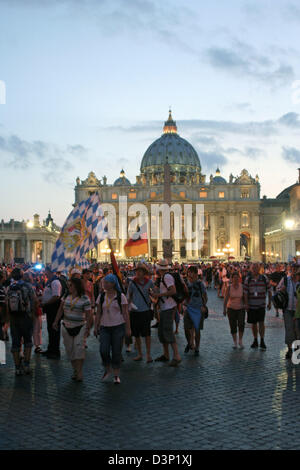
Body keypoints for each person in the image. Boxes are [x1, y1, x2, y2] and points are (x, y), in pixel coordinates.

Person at [53, 278, 92, 382]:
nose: (69, 287)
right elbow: (60, 309)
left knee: (79, 350)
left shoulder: (85, 299)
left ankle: (79, 372)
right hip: (66, 326)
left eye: (71, 285)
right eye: (68, 285)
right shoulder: (66, 296)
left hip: (80, 327)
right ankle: (75, 370)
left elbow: (89, 315)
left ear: (76, 286)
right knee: (70, 350)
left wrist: (88, 328)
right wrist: (56, 321)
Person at [94, 274, 131, 384]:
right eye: (103, 282)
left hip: (118, 326)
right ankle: (107, 367)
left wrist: (128, 328)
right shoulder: (101, 297)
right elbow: (99, 312)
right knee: (103, 350)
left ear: (113, 283)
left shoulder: (121, 296)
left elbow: (125, 313)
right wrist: (96, 326)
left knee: (116, 351)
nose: (104, 284)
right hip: (104, 326)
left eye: (106, 282)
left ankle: (116, 374)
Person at [151, 259, 181, 366]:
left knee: (168, 331)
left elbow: (173, 291)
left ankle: (177, 356)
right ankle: (166, 354)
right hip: (165, 307)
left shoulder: (167, 277)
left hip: (169, 307)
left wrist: (158, 295)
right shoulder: (163, 277)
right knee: (162, 331)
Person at [7, 268, 34, 375]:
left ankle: (17, 368)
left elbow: (6, 303)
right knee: (27, 341)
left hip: (14, 317)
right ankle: (26, 365)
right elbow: (33, 299)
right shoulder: (27, 286)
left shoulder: (10, 287)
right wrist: (32, 314)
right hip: (25, 316)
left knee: (15, 343)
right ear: (22, 275)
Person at [127, 262, 154, 363]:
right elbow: (128, 296)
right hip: (135, 311)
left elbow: (155, 292)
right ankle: (140, 354)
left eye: (140, 271)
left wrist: (153, 295)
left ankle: (148, 354)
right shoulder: (132, 282)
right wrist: (128, 305)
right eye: (136, 271)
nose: (138, 273)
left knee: (147, 334)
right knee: (136, 334)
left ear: (144, 273)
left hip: (145, 311)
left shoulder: (149, 282)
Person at [244, 263, 272, 350]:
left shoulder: (264, 278)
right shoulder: (248, 279)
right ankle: (255, 339)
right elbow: (245, 293)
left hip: (261, 305)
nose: (255, 269)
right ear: (251, 269)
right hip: (251, 305)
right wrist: (246, 303)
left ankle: (262, 340)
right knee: (254, 324)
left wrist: (270, 302)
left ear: (259, 269)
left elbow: (270, 290)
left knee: (261, 323)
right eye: (253, 268)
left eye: (256, 267)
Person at [183, 265, 208, 356]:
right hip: (188, 308)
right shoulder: (185, 283)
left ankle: (197, 347)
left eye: (192, 272)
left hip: (198, 308)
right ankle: (189, 342)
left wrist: (203, 306)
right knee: (186, 328)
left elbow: (205, 296)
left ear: (196, 274)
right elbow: (182, 295)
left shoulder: (200, 284)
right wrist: (183, 303)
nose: (190, 274)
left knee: (197, 330)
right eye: (189, 272)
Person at [277, 265, 298, 359]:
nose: (294, 272)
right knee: (289, 329)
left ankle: (297, 350)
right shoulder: (285, 280)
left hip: (298, 310)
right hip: (288, 309)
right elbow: (277, 290)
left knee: (297, 330)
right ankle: (289, 349)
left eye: (296, 271)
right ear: (290, 270)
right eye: (293, 270)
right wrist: (281, 289)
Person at [41, 267, 62, 359]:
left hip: (54, 309)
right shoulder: (50, 281)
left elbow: (56, 296)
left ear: (49, 271)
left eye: (45, 271)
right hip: (49, 309)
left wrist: (45, 303)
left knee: (54, 329)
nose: (44, 273)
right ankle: (51, 348)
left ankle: (55, 351)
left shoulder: (55, 282)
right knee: (50, 329)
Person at [223, 271, 246, 349]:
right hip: (231, 308)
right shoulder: (229, 287)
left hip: (241, 308)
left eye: (237, 278)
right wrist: (224, 309)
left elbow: (244, 297)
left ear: (239, 279)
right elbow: (226, 299)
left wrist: (246, 305)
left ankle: (240, 340)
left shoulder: (242, 286)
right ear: (231, 279)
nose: (236, 279)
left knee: (241, 324)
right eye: (234, 278)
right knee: (233, 326)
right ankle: (235, 342)